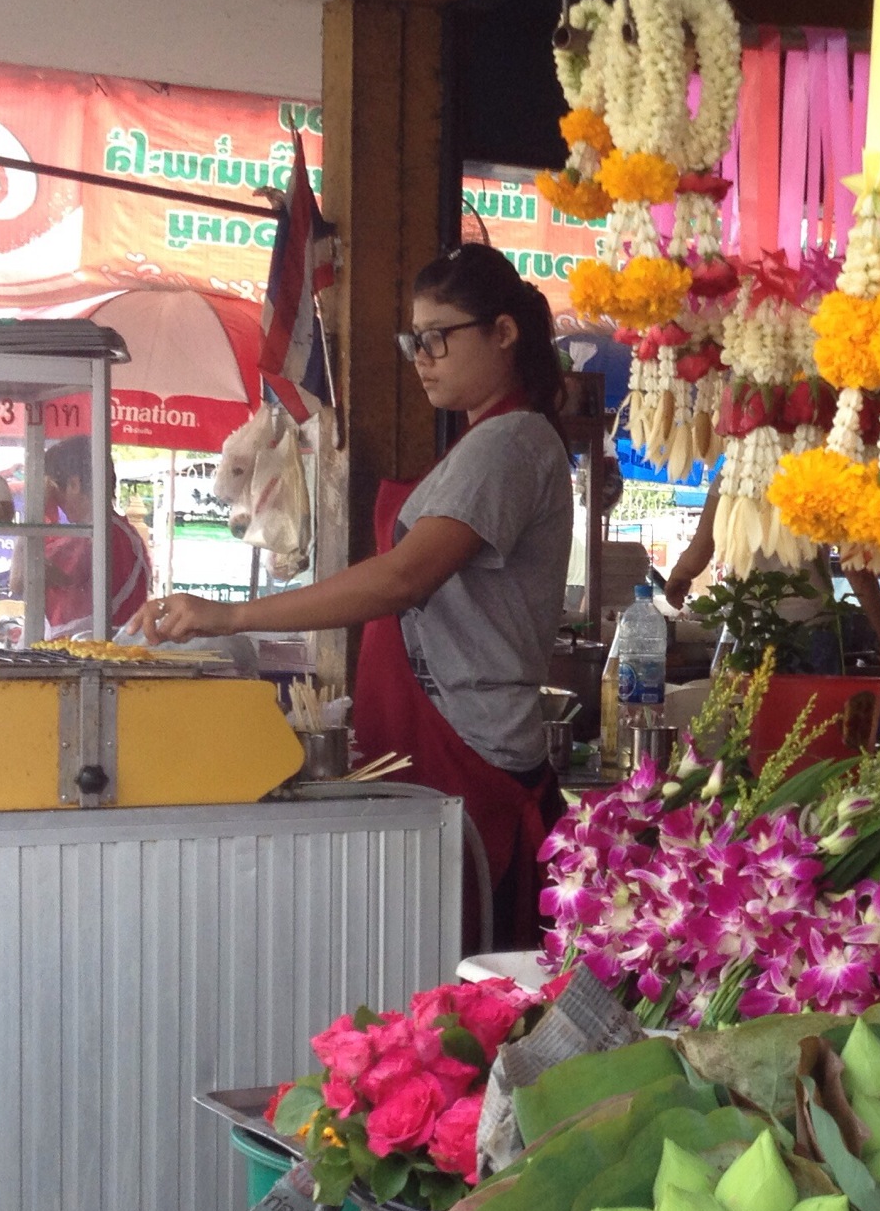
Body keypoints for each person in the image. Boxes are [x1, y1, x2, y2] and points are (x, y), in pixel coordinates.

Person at [143, 244, 573, 947]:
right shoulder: (477, 443)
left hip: (466, 741)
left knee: (456, 966)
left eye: (439, 337)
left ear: (502, 333)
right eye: (414, 339)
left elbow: (404, 577)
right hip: (432, 734)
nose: (422, 356)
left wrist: (232, 615)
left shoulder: (511, 443)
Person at [665, 474, 880, 688]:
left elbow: (698, 552)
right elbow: (855, 568)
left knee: (751, 734)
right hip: (811, 630)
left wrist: (679, 577)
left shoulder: (731, 476)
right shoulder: (821, 474)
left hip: (748, 632)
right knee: (814, 731)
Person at [41, 435, 153, 638]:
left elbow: (21, 577)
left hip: (85, 659)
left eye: (54, 489)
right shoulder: (124, 533)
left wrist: (38, 510)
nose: (55, 501)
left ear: (74, 484)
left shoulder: (91, 538)